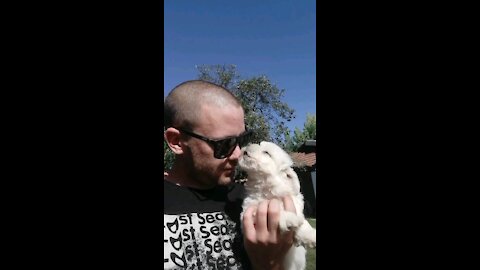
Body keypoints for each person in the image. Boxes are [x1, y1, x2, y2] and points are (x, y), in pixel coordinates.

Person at [164, 80, 296, 270]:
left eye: (242, 140)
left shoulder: (252, 197)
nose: (238, 154)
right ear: (176, 141)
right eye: (224, 144)